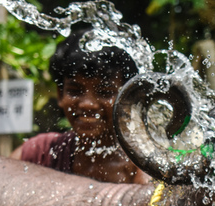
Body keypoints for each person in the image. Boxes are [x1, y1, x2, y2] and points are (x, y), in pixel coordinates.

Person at [11, 28, 150, 184]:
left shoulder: (144, 165)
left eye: (105, 92)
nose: (87, 104)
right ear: (60, 94)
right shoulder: (41, 153)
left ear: (128, 97)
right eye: (75, 91)